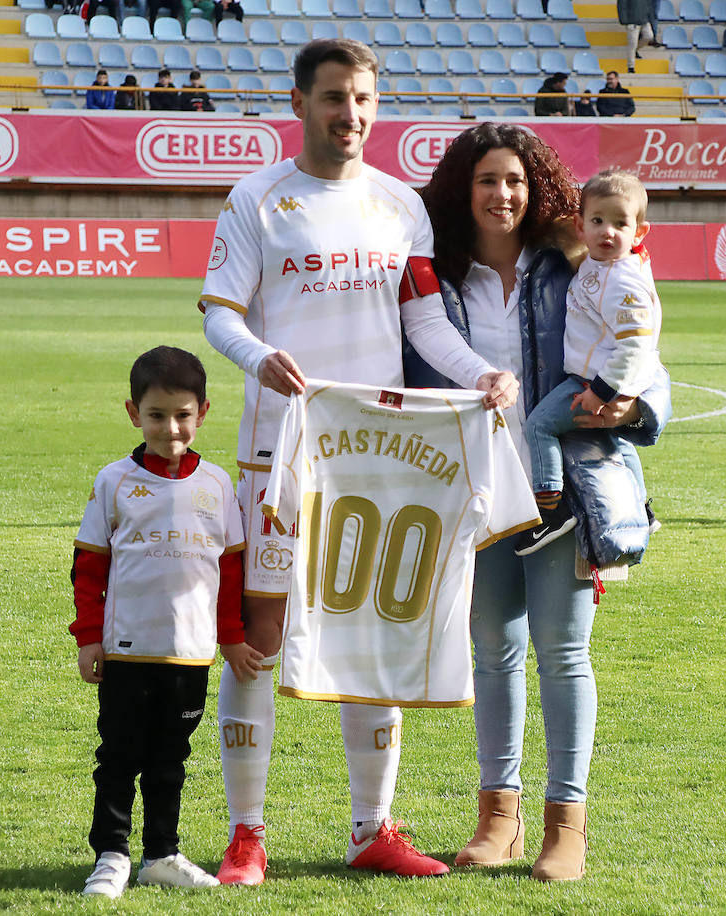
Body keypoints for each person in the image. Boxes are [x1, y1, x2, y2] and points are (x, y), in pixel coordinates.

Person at [198, 38, 518, 885]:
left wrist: (478, 372)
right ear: (300, 101)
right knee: (260, 640)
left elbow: (423, 325)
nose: (351, 115)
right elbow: (220, 314)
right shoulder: (258, 200)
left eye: (365, 99)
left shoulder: (397, 207)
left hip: (377, 457)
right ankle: (246, 834)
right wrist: (258, 357)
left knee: (375, 629)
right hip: (281, 453)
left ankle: (370, 828)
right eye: (336, 97)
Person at [414, 123, 670, 882]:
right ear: (465, 189)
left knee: (561, 652)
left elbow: (641, 345)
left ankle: (568, 823)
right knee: (492, 653)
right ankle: (499, 817)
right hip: (473, 484)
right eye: (488, 180)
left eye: (517, 181)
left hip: (566, 484)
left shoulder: (576, 263)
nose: (503, 194)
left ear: (539, 191)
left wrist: (635, 407)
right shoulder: (436, 275)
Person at [70, 346, 245, 899]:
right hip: (126, 650)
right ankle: (112, 856)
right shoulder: (114, 482)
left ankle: (162, 854)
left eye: (182, 415)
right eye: (156, 415)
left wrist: (232, 639)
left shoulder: (218, 485)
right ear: (132, 412)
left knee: (171, 760)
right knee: (119, 756)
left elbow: (232, 570)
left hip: (189, 654)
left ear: (203, 412)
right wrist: (90, 637)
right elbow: (89, 567)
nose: (170, 428)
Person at [515, 168, 661, 556]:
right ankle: (642, 510)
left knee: (540, 426)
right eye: (597, 221)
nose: (607, 232)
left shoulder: (622, 280)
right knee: (619, 442)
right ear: (580, 226)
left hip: (596, 382)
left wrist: (600, 391)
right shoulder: (603, 266)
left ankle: (550, 508)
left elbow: (634, 345)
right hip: (608, 380)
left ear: (640, 232)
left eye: (620, 223)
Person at [617, 0, 654, 73]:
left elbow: (649, 5)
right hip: (632, 22)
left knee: (649, 36)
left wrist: (649, 17)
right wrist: (624, 20)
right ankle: (631, 66)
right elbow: (622, 6)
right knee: (632, 44)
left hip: (644, 21)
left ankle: (636, 50)